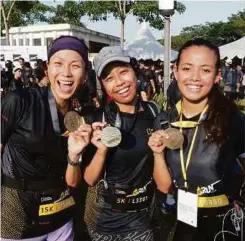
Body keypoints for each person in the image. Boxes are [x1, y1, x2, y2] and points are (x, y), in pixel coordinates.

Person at [149, 38, 245, 241]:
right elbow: (164, 186)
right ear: (175, 71)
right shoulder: (165, 121)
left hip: (223, 222)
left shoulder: (233, 119)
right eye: (187, 68)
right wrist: (157, 153)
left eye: (205, 70)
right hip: (182, 220)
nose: (195, 77)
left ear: (218, 76)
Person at [1, 35, 92, 241]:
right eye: (58, 64)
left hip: (60, 217)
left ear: (85, 73)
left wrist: (73, 156)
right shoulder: (19, 101)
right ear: (47, 67)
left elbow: (73, 181)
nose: (66, 73)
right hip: (17, 217)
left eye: (75, 66)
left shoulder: (81, 116)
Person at [82, 46, 172, 241]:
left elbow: (164, 185)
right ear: (103, 85)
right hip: (103, 220)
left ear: (135, 72)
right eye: (109, 78)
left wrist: (158, 152)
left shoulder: (155, 114)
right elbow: (89, 180)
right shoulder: (97, 119)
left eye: (123, 72)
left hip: (142, 218)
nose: (119, 82)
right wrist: (101, 151)